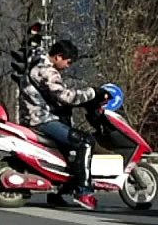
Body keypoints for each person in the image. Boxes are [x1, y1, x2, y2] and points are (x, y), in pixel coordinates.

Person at [19, 39, 107, 211]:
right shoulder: (47, 71)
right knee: (84, 141)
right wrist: (92, 93)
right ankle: (83, 192)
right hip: (42, 120)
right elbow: (66, 97)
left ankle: (57, 193)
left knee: (65, 151)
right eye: (68, 61)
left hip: (36, 117)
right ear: (58, 57)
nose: (67, 66)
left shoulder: (35, 65)